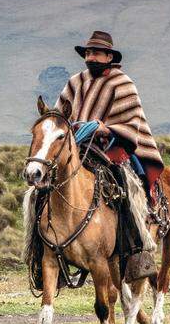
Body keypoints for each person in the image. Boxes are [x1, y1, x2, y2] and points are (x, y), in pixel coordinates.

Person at [55, 30, 162, 281]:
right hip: (76, 147)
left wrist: (104, 127)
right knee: (46, 185)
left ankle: (138, 251)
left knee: (127, 186)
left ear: (108, 56)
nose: (91, 57)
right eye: (88, 53)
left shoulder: (122, 83)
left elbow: (131, 122)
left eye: (96, 53)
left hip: (111, 146)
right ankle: (48, 253)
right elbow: (60, 116)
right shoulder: (75, 82)